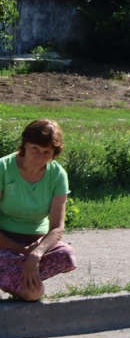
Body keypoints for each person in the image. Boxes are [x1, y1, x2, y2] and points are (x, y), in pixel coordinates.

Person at [0, 119, 75, 301]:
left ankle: (13, 275)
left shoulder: (57, 175)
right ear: (25, 144)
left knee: (66, 254)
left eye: (47, 152)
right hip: (4, 242)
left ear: (54, 154)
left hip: (37, 244)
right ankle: (15, 274)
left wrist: (37, 253)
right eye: (35, 149)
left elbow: (57, 227)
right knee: (36, 293)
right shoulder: (3, 168)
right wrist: (23, 252)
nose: (40, 158)